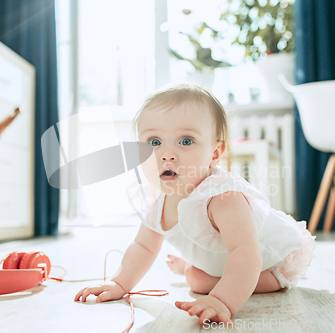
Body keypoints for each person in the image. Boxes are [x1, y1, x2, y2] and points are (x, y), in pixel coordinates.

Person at [74, 84, 316, 325]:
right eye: (154, 142)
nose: (167, 154)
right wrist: (118, 283)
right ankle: (190, 268)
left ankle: (199, 272)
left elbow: (246, 253)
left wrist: (221, 300)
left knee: (216, 281)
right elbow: (143, 247)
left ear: (214, 153)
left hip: (271, 262)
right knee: (195, 279)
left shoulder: (222, 196)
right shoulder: (157, 201)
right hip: (226, 260)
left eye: (186, 141)